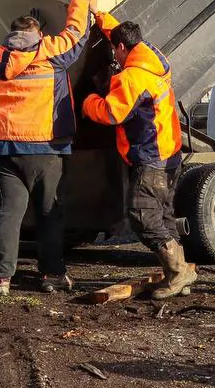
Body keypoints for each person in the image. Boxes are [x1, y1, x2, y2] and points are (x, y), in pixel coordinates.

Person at [0, 0, 96, 296]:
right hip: (44, 147)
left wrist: (31, 27)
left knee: (7, 215)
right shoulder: (50, 52)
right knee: (49, 214)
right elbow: (76, 33)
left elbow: (20, 53)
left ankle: (0, 279)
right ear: (38, 35)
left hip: (5, 148)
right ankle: (52, 275)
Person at [81, 16, 195, 299]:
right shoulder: (154, 60)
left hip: (150, 156)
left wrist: (87, 103)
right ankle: (180, 274)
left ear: (121, 48)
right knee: (164, 215)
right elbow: (121, 35)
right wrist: (100, 15)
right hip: (169, 153)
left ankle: (179, 272)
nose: (114, 55)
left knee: (142, 215)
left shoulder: (131, 78)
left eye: (115, 49)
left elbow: (111, 113)